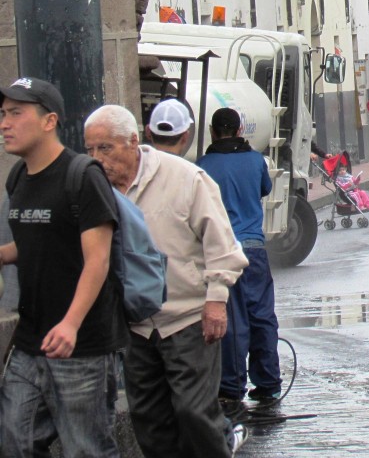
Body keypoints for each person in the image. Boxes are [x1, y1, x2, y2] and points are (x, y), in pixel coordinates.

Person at [84, 104, 249, 458]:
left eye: (105, 148)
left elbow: (222, 243)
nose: (97, 158)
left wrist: (216, 299)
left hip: (187, 317)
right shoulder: (95, 188)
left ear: (133, 141)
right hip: (135, 325)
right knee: (150, 420)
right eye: (90, 149)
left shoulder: (185, 178)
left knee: (194, 413)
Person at [0, 77, 126, 457]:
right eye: (3, 114)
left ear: (49, 121)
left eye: (16, 113)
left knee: (86, 449)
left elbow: (97, 259)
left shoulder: (83, 176)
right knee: (14, 441)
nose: (5, 124)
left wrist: (70, 323)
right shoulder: (18, 177)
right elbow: (40, 239)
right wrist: (4, 253)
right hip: (30, 340)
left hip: (81, 344)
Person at [196, 107, 282, 410]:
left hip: (221, 250)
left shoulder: (203, 166)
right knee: (262, 315)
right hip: (254, 249)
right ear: (240, 130)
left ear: (212, 131)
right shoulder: (256, 160)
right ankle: (268, 383)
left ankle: (232, 387)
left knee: (232, 319)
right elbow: (264, 188)